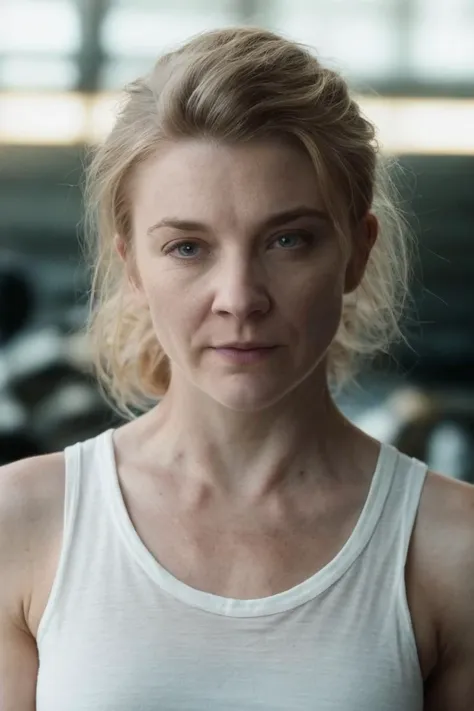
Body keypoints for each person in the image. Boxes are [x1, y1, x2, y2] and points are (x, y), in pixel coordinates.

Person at [0, 26, 473, 711]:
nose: (240, 298)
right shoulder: (21, 522)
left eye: (287, 239)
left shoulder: (452, 548)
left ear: (355, 251)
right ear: (132, 264)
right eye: (189, 247)